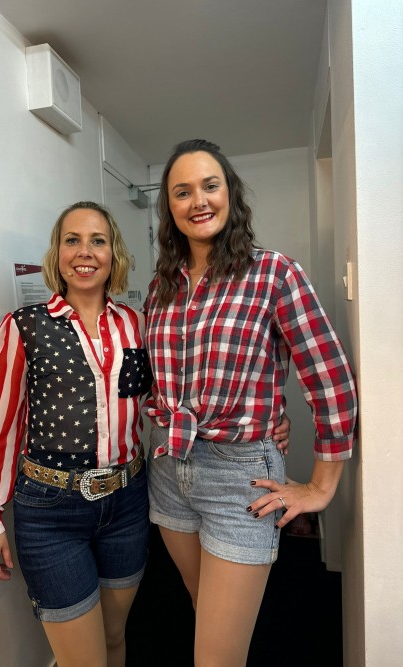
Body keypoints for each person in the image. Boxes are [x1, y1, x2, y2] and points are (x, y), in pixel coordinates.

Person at [143, 139, 358, 667]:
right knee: (204, 615)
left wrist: (322, 485)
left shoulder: (274, 273)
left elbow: (330, 378)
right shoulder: (160, 289)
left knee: (216, 655)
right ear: (169, 208)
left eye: (210, 186)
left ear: (230, 194)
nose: (199, 200)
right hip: (170, 471)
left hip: (241, 478)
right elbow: (158, 380)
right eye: (182, 191)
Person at [0, 202, 154, 667]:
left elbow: (154, 402)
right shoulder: (23, 327)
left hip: (128, 502)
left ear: (114, 253)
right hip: (52, 512)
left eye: (98, 240)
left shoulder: (136, 324)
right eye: (72, 240)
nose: (84, 251)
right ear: (57, 251)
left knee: (113, 638)